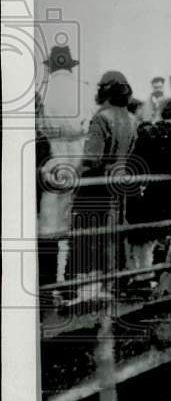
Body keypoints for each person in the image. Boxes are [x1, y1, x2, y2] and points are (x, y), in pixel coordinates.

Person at [67, 71, 137, 285]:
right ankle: (111, 281)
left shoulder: (101, 117)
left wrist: (73, 176)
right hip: (119, 182)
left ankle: (79, 285)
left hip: (95, 186)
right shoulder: (132, 119)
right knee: (112, 235)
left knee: (84, 236)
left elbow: (91, 157)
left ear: (104, 91)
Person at [36, 44, 91, 287]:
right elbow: (87, 123)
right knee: (75, 221)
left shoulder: (44, 89)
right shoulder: (82, 90)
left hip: (53, 154)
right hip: (77, 155)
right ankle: (71, 282)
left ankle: (47, 283)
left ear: (52, 66)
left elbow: (38, 122)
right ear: (69, 66)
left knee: (49, 224)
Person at [126, 100, 171, 274]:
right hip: (165, 196)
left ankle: (137, 273)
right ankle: (154, 273)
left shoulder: (144, 132)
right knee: (160, 235)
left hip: (139, 192)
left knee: (138, 237)